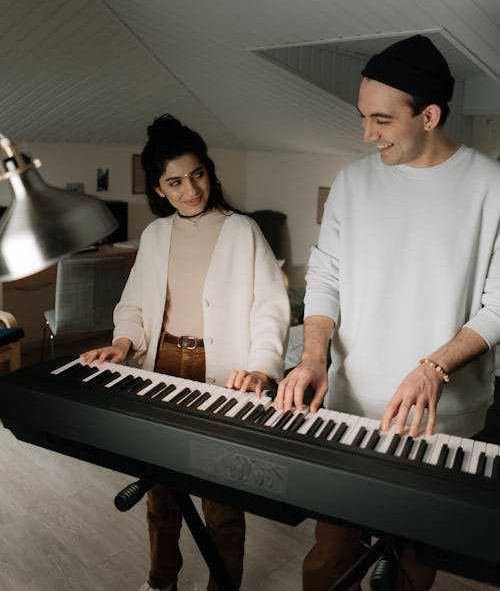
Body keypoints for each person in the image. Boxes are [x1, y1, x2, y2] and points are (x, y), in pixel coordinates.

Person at [275, 34, 500, 591]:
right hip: (348, 408)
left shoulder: (490, 185)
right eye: (361, 117)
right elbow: (325, 278)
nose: (366, 133)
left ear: (429, 115)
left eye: (381, 119)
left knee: (410, 567)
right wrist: (312, 357)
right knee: (329, 562)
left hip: (441, 419)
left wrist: (434, 368)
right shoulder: (352, 182)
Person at [81, 114, 290, 591]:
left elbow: (270, 311)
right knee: (160, 494)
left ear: (210, 172)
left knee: (221, 501)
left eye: (197, 174)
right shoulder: (155, 237)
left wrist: (261, 368)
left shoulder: (243, 231)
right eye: (175, 181)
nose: (190, 189)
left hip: (224, 371)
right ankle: (161, 581)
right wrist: (121, 342)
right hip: (162, 368)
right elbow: (133, 304)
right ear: (159, 189)